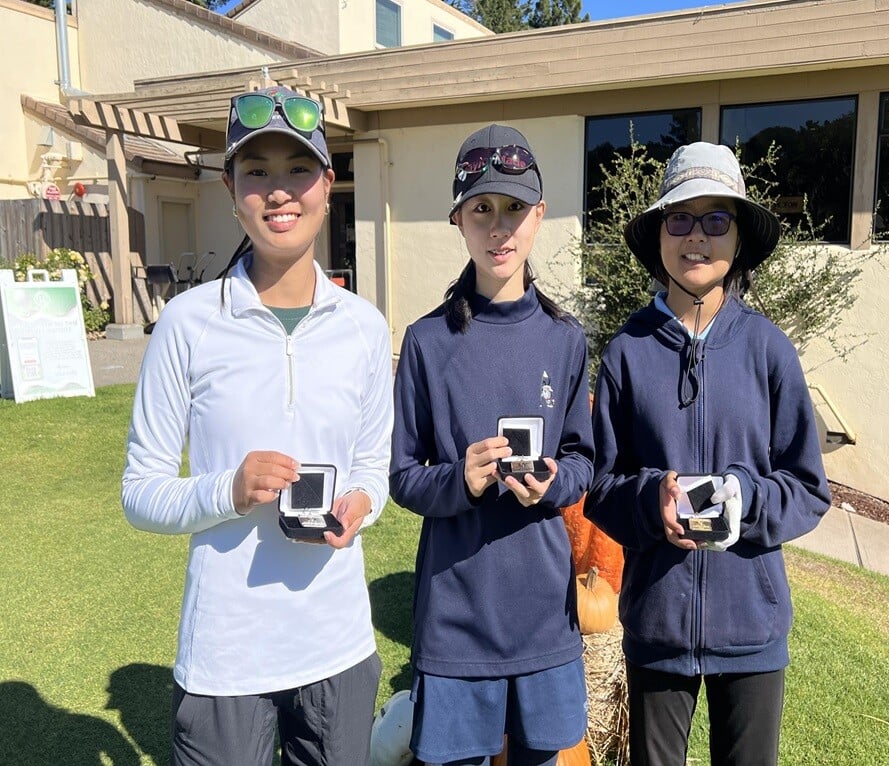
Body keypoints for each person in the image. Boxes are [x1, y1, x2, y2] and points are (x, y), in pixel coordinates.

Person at [122, 85, 393, 766]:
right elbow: (140, 490)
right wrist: (229, 491)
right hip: (226, 658)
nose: (279, 192)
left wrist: (361, 504)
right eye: (257, 172)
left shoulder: (364, 328)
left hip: (338, 648)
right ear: (229, 188)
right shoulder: (186, 323)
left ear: (328, 185)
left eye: (298, 170)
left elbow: (372, 470)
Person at [584, 142, 831, 766]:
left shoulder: (769, 351)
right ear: (660, 234)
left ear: (739, 238)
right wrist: (649, 501)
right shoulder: (626, 354)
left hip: (751, 625)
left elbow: (807, 487)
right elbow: (602, 485)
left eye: (717, 219)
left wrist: (746, 500)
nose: (697, 237)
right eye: (681, 219)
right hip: (657, 624)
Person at [389, 124, 595, 766]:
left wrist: (554, 482)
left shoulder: (566, 340)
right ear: (458, 218)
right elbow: (400, 475)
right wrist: (460, 481)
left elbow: (585, 459)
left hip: (543, 614)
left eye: (513, 209)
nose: (498, 228)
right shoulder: (427, 343)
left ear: (540, 215)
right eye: (481, 209)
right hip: (456, 614)